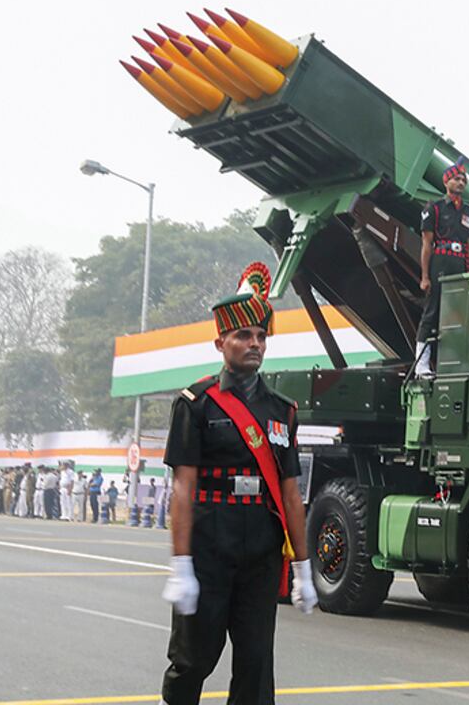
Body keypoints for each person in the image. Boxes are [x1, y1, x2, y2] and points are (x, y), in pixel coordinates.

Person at [159, 262, 316, 705]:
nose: (255, 344)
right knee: (193, 658)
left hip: (260, 552)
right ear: (220, 343)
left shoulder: (282, 410)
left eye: (261, 336)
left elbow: (290, 493)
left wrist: (303, 568)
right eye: (244, 335)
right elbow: (183, 489)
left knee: (256, 665)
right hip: (210, 546)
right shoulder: (196, 404)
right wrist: (181, 564)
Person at [414, 157, 469, 378]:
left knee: (459, 314)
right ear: (446, 182)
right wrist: (424, 276)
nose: (460, 183)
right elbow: (427, 244)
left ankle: (455, 363)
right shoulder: (435, 208)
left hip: (460, 263)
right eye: (456, 179)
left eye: (463, 180)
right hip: (441, 261)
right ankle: (422, 365)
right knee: (432, 312)